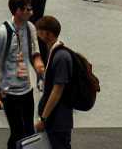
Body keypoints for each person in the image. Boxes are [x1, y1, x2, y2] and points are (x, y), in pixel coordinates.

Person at [0, 0, 44, 149]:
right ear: (18, 11)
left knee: (29, 132)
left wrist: (39, 66)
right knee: (17, 132)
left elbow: (34, 54)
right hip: (9, 93)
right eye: (28, 9)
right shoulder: (2, 33)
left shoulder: (30, 28)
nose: (31, 12)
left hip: (26, 89)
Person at [33, 15, 74, 149]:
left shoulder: (61, 57)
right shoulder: (52, 51)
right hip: (54, 119)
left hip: (58, 121)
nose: (37, 34)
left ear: (47, 33)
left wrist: (43, 118)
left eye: (39, 31)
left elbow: (57, 91)